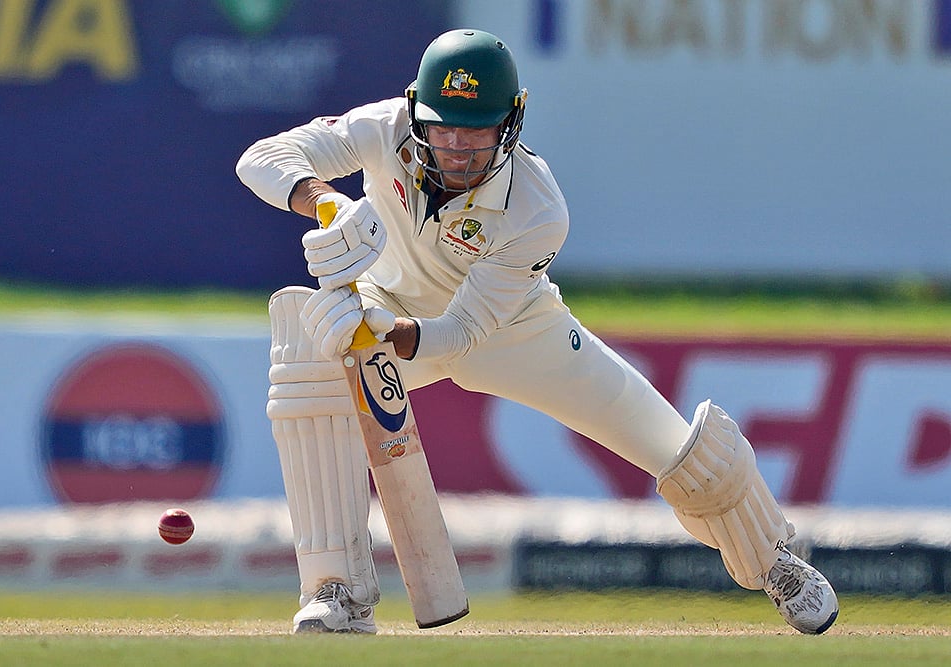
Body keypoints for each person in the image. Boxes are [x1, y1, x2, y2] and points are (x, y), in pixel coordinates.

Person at [236, 28, 839, 635]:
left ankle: (773, 561)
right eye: (443, 128)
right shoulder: (382, 130)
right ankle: (337, 592)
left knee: (672, 445)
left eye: (475, 133)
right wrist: (324, 202)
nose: (456, 150)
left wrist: (396, 334)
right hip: (387, 303)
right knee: (309, 367)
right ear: (417, 108)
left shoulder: (537, 208)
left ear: (511, 122)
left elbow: (464, 331)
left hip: (514, 330)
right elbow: (260, 157)